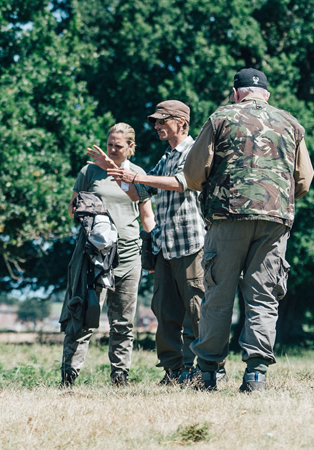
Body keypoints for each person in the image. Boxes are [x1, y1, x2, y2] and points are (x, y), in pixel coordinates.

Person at [184, 68, 314, 392]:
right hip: (275, 220)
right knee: (263, 296)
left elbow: (192, 173)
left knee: (217, 294)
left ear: (236, 92)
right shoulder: (291, 124)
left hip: (227, 216)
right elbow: (304, 181)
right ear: (266, 95)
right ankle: (256, 375)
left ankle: (208, 374)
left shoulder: (221, 117)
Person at [107, 101, 206, 385]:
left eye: (162, 121)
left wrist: (136, 176)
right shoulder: (166, 156)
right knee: (164, 311)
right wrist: (115, 172)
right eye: (155, 122)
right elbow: (141, 192)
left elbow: (181, 182)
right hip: (165, 245)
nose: (156, 126)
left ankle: (202, 368)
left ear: (182, 123)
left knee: (196, 311)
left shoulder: (194, 151)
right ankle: (173, 370)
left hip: (190, 244)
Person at [61, 122, 155, 387]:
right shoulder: (89, 172)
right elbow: (72, 210)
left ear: (131, 147)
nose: (112, 149)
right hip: (94, 256)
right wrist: (87, 208)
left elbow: (147, 217)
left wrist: (153, 252)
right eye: (110, 144)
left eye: (118, 146)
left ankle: (120, 377)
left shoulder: (138, 174)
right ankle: (69, 376)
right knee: (84, 315)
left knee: (123, 321)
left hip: (128, 254)